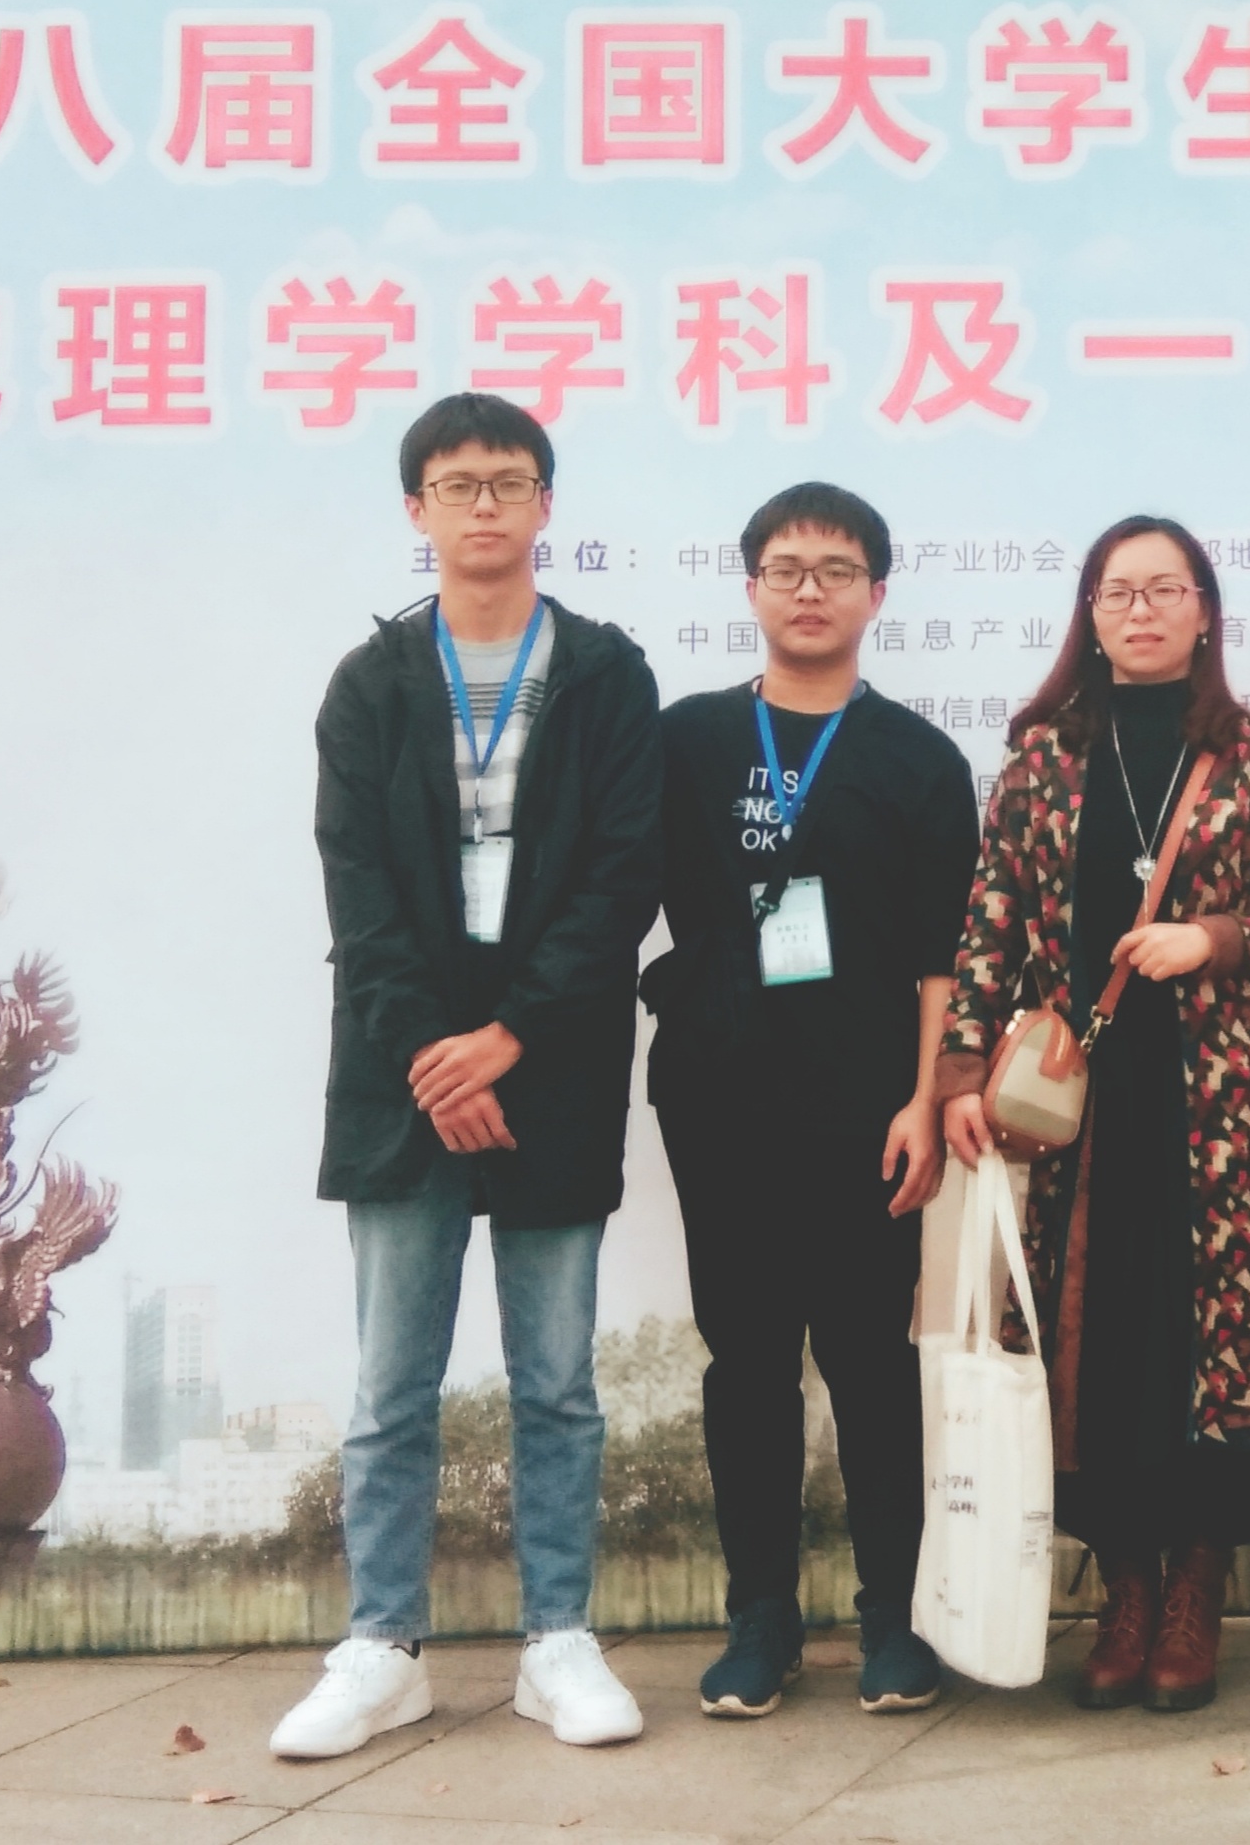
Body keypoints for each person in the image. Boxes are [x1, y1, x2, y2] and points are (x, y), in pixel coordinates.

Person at [274, 393, 666, 1761]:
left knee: (557, 1382)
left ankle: (558, 1638)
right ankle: (382, 1646)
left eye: (509, 481)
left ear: (547, 503)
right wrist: (434, 1059)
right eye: (458, 484)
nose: (485, 504)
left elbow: (622, 877)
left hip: (549, 1068)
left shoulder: (607, 674)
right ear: (417, 509)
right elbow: (358, 893)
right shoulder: (371, 683)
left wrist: (510, 1037)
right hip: (404, 1079)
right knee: (394, 1388)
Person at [938, 517, 1250, 1713]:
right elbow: (990, 921)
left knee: (1216, 1343)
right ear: (1091, 614)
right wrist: (961, 1069)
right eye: (1120, 593)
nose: (1143, 611)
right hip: (1079, 1107)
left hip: (1227, 1105)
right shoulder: (1045, 758)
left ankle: (1197, 1585)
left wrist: (1215, 938)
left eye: (1167, 590)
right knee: (1097, 1344)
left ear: (1205, 610)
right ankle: (1125, 1588)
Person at [646, 483, 978, 1720]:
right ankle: (761, 1622)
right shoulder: (686, 741)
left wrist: (925, 1098)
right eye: (786, 568)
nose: (810, 589)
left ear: (876, 595)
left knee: (871, 1366)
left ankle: (895, 1619)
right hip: (718, 1099)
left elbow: (943, 959)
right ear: (751, 588)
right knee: (745, 1366)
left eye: (837, 570)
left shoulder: (918, 760)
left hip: (866, 1110)